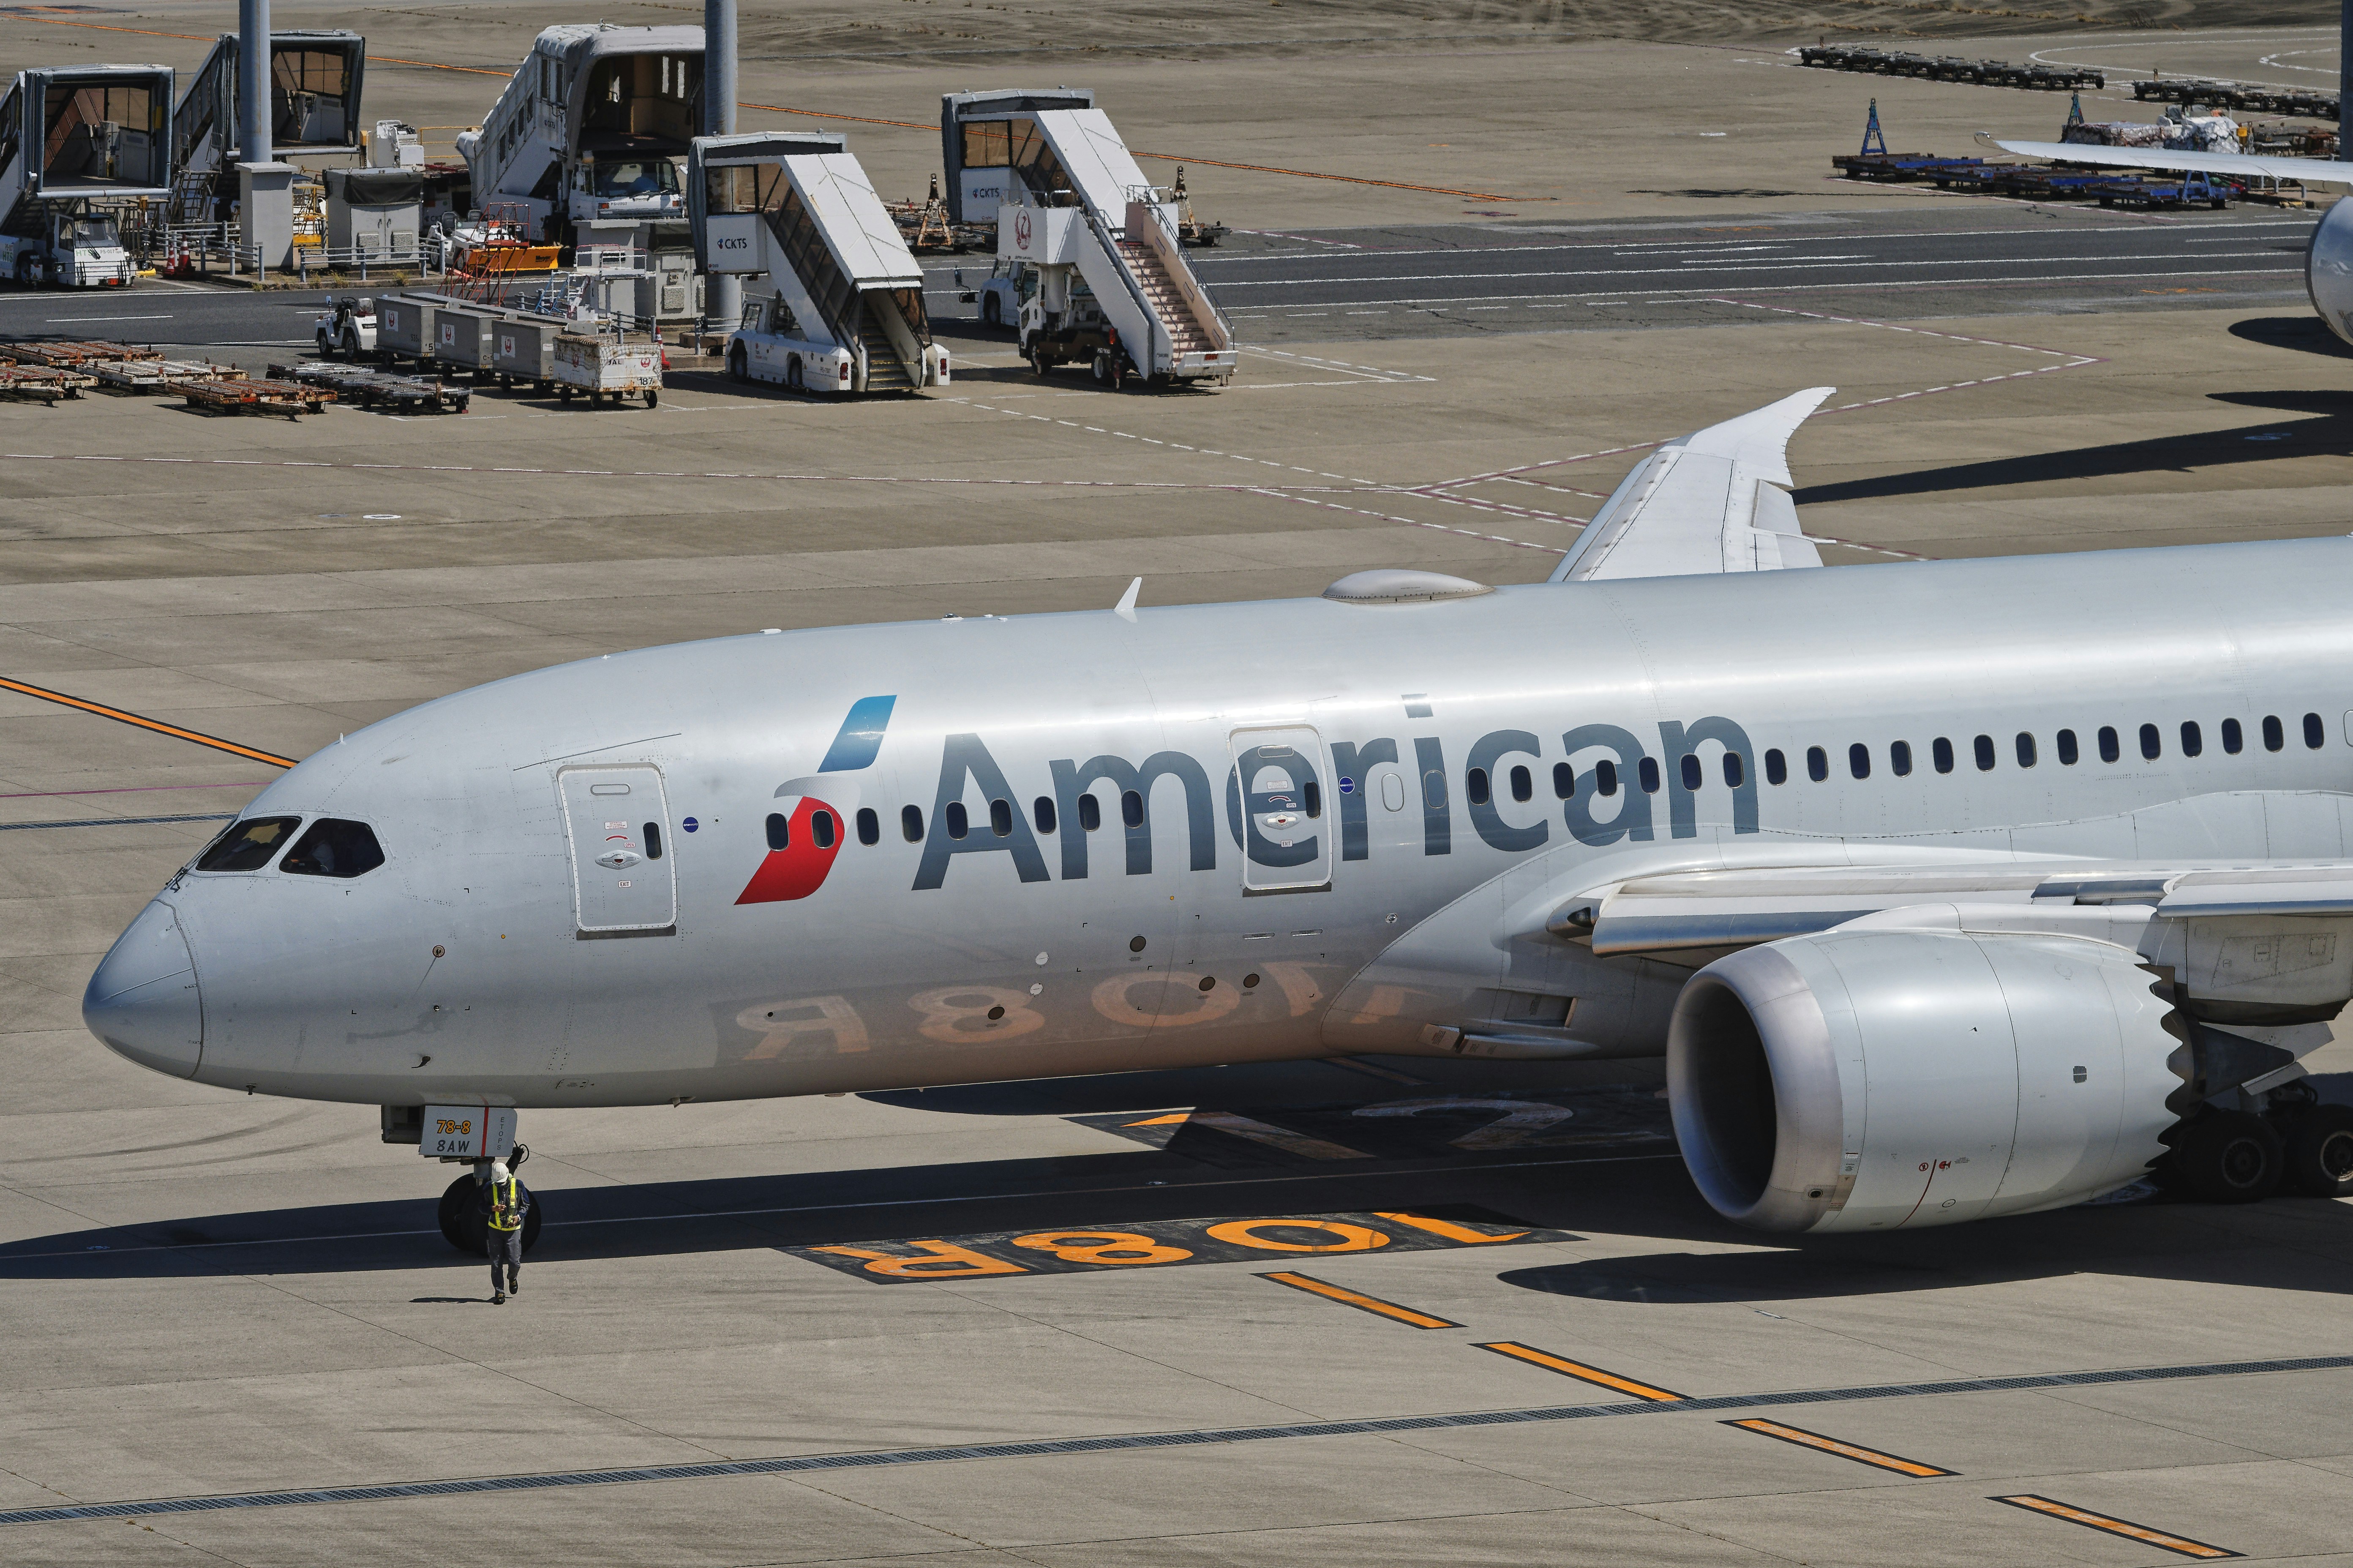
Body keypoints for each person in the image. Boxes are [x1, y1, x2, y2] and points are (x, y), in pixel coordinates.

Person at [477, 1158, 531, 1303]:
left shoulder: (518, 1185)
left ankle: (512, 1278)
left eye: (502, 1183)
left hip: (513, 1231)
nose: (500, 1186)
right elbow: (481, 1206)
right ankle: (499, 1292)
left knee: (515, 1262)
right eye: (498, 1184)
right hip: (495, 1230)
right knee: (496, 1263)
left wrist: (518, 1217)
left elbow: (526, 1205)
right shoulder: (489, 1187)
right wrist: (492, 1209)